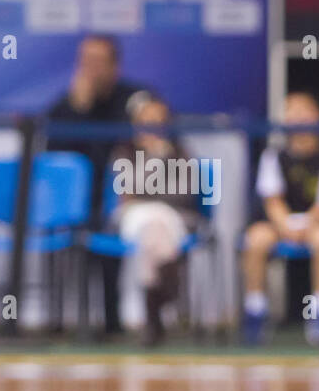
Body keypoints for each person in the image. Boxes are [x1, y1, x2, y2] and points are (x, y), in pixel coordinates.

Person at [46, 34, 149, 338]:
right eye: (84, 61)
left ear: (115, 66)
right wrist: (79, 108)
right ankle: (62, 323)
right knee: (81, 230)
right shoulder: (65, 105)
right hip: (77, 202)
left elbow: (154, 138)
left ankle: (113, 322)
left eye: (98, 61)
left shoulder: (135, 99)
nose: (90, 68)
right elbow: (52, 157)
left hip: (123, 195)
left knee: (110, 228)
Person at [242, 92, 319, 345]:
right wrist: (286, 226)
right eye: (292, 110)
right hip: (281, 224)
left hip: (315, 224)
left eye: (305, 109)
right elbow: (273, 200)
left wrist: (306, 225)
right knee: (256, 238)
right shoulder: (274, 156)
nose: (299, 116)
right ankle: (255, 311)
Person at [107, 96, 204, 346]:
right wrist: (153, 161)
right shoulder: (124, 151)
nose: (152, 126)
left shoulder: (181, 153)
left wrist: (162, 159)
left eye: (158, 120)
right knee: (152, 222)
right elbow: (126, 192)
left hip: (173, 218)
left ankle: (152, 308)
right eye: (146, 120)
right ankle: (167, 290)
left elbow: (184, 195)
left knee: (157, 222)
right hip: (133, 218)